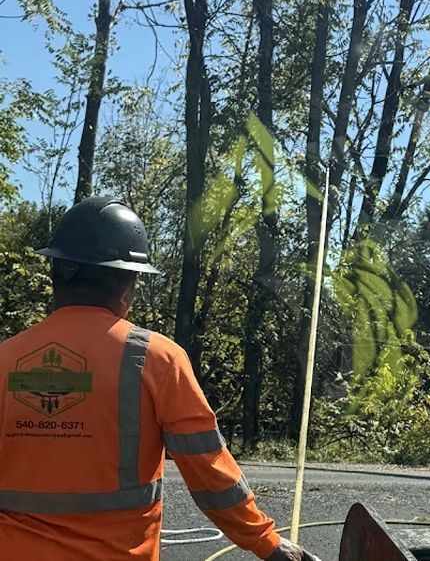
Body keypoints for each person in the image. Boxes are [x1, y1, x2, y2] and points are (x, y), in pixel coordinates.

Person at [0, 197, 321, 561]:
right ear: (127, 284)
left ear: (55, 273)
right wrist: (268, 543)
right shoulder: (156, 359)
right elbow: (209, 471)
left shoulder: (5, 359)